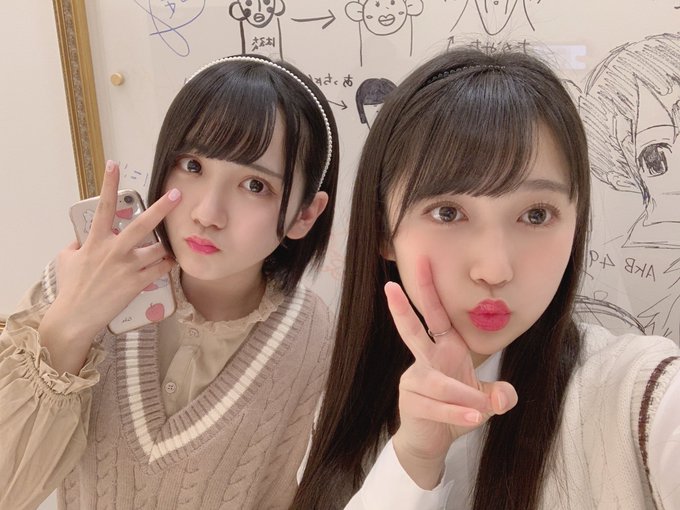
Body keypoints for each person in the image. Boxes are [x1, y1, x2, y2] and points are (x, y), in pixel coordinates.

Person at [293, 48, 680, 509]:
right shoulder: (337, 414)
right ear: (383, 230)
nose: (495, 270)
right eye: (448, 213)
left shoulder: (641, 393)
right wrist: (414, 458)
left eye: (536, 215)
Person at [0, 54, 339, 510]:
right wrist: (69, 325)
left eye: (255, 185)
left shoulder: (316, 340)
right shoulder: (79, 278)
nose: (207, 213)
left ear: (305, 215)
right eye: (193, 166)